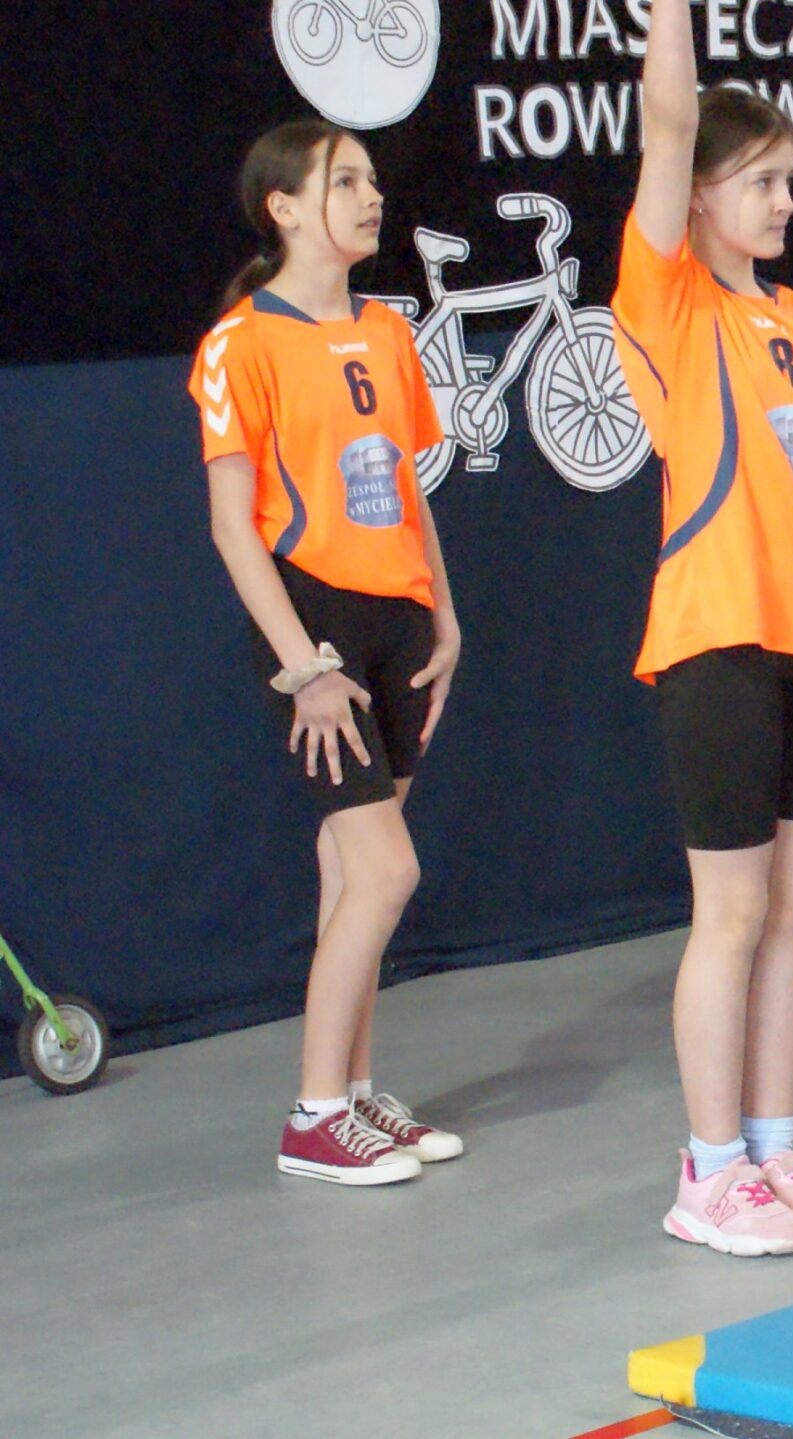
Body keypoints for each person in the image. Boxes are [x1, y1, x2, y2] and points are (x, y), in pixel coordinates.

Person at [618, 3, 793, 1255]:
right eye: (762, 181)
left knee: (792, 915)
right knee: (726, 915)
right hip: (716, 639)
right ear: (702, 193)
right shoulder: (668, 302)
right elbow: (667, 120)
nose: (786, 202)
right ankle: (709, 1168)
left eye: (789, 180)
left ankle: (775, 1149)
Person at [191, 120, 467, 1184]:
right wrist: (303, 664)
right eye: (343, 180)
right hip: (315, 623)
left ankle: (352, 1092)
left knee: (350, 865)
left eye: (371, 179)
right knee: (388, 867)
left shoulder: (388, 330)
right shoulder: (242, 341)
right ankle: (313, 1116)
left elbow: (406, 486)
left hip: (399, 618)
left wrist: (445, 617)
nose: (370, 196)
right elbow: (233, 527)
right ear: (286, 208)